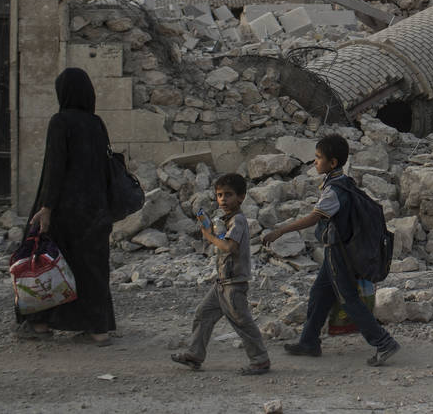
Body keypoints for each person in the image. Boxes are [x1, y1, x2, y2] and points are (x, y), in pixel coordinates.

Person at [263, 133, 400, 365]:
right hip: (335, 250)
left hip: (339, 253)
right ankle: (309, 342)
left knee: (349, 299)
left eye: (318, 158)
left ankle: (383, 342)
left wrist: (281, 231)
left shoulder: (333, 191)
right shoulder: (343, 182)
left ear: (333, 163)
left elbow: (313, 218)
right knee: (319, 293)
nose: (315, 162)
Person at [18, 67, 116, 345]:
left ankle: (39, 324)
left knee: (46, 262)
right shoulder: (96, 123)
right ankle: (98, 330)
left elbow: (55, 168)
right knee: (92, 268)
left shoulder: (60, 122)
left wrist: (46, 207)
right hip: (95, 209)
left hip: (65, 209)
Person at [171, 173, 271, 375]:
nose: (223, 199)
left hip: (234, 284)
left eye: (228, 195)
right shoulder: (225, 220)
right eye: (219, 195)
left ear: (241, 197)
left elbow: (229, 247)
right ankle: (194, 354)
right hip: (222, 283)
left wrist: (209, 237)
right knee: (203, 314)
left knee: (242, 322)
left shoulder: (239, 221)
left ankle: (260, 360)